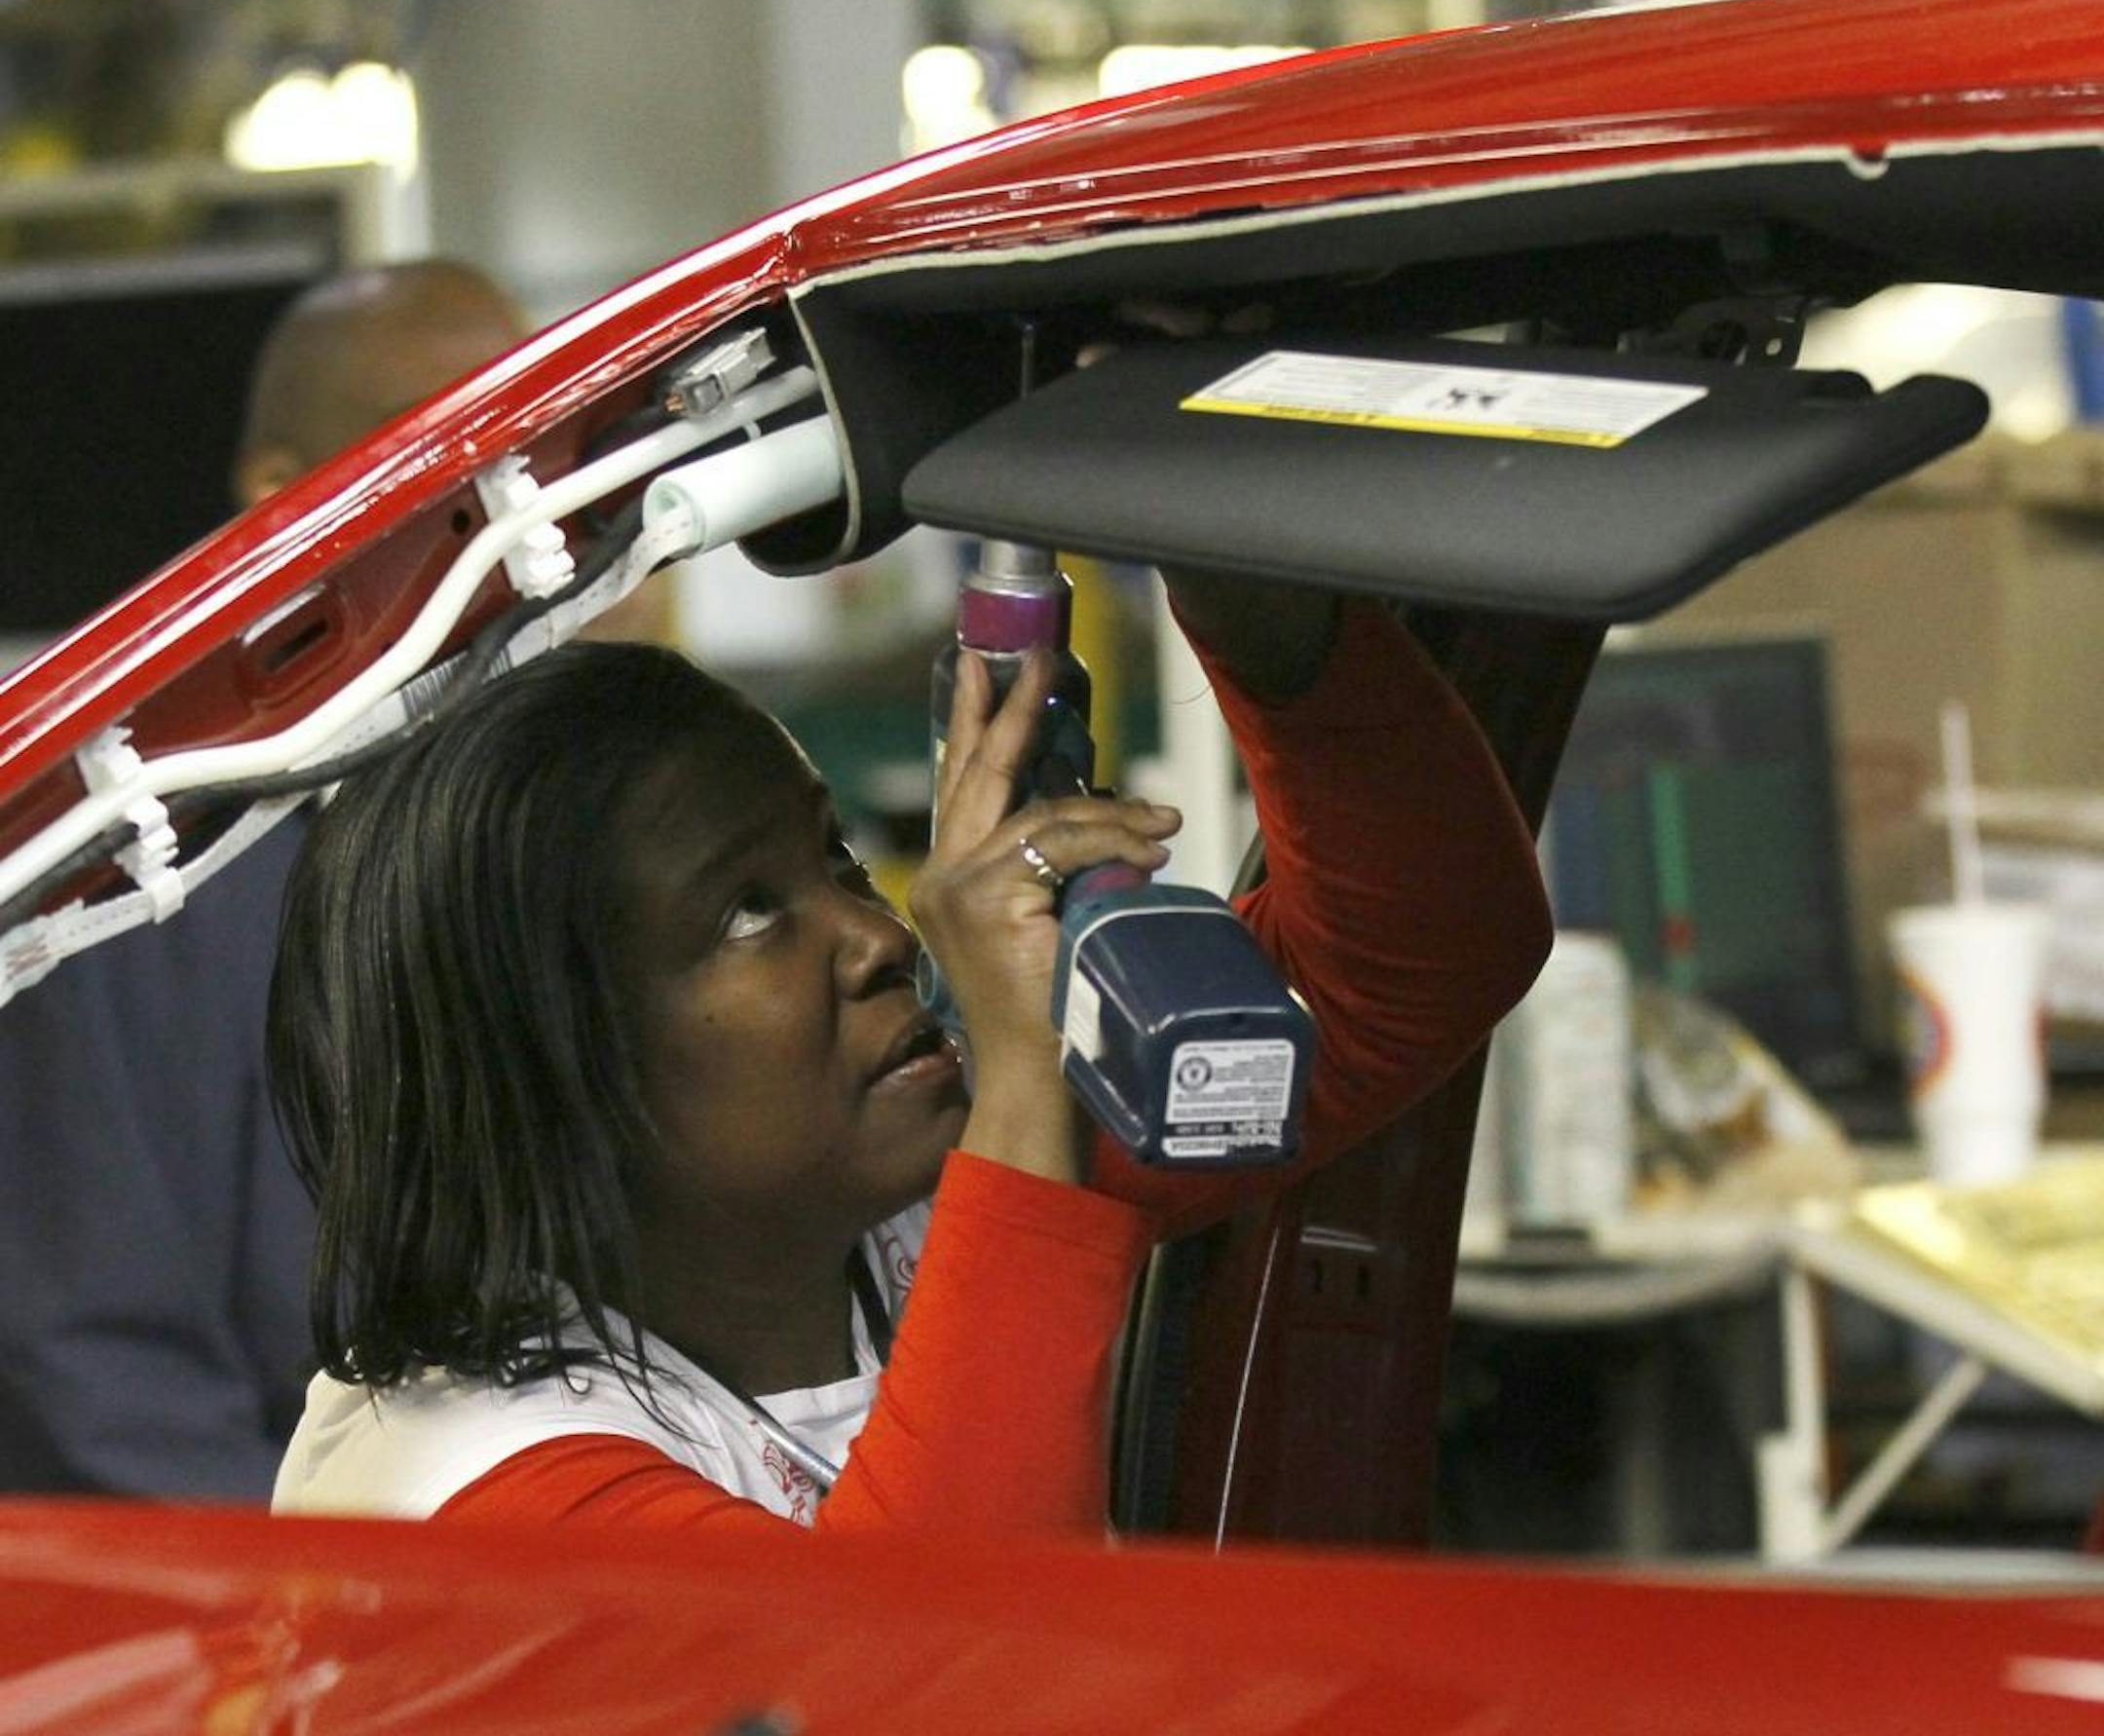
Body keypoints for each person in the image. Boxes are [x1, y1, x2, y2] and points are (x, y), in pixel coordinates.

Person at [269, 573, 1553, 1532]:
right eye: (748, 911)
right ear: (550, 1071)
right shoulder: (477, 1491)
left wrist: (1245, 587)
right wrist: (1029, 1067)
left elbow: (1423, 948)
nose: (879, 930)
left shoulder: (890, 1212)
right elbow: (934, 1680)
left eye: (831, 859)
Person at [0, 259, 529, 1500]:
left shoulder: (508, 814)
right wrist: (323, 1637)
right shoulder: (130, 877)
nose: (512, 513)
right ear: (284, 500)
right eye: (454, 467)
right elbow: (105, 1366)